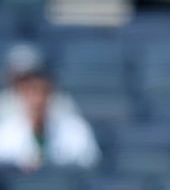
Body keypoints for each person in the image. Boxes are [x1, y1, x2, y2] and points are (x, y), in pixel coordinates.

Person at [0, 43, 101, 171]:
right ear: (20, 93)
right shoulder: (5, 132)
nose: (37, 100)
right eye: (30, 92)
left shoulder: (75, 129)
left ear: (51, 93)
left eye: (43, 91)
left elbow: (89, 165)